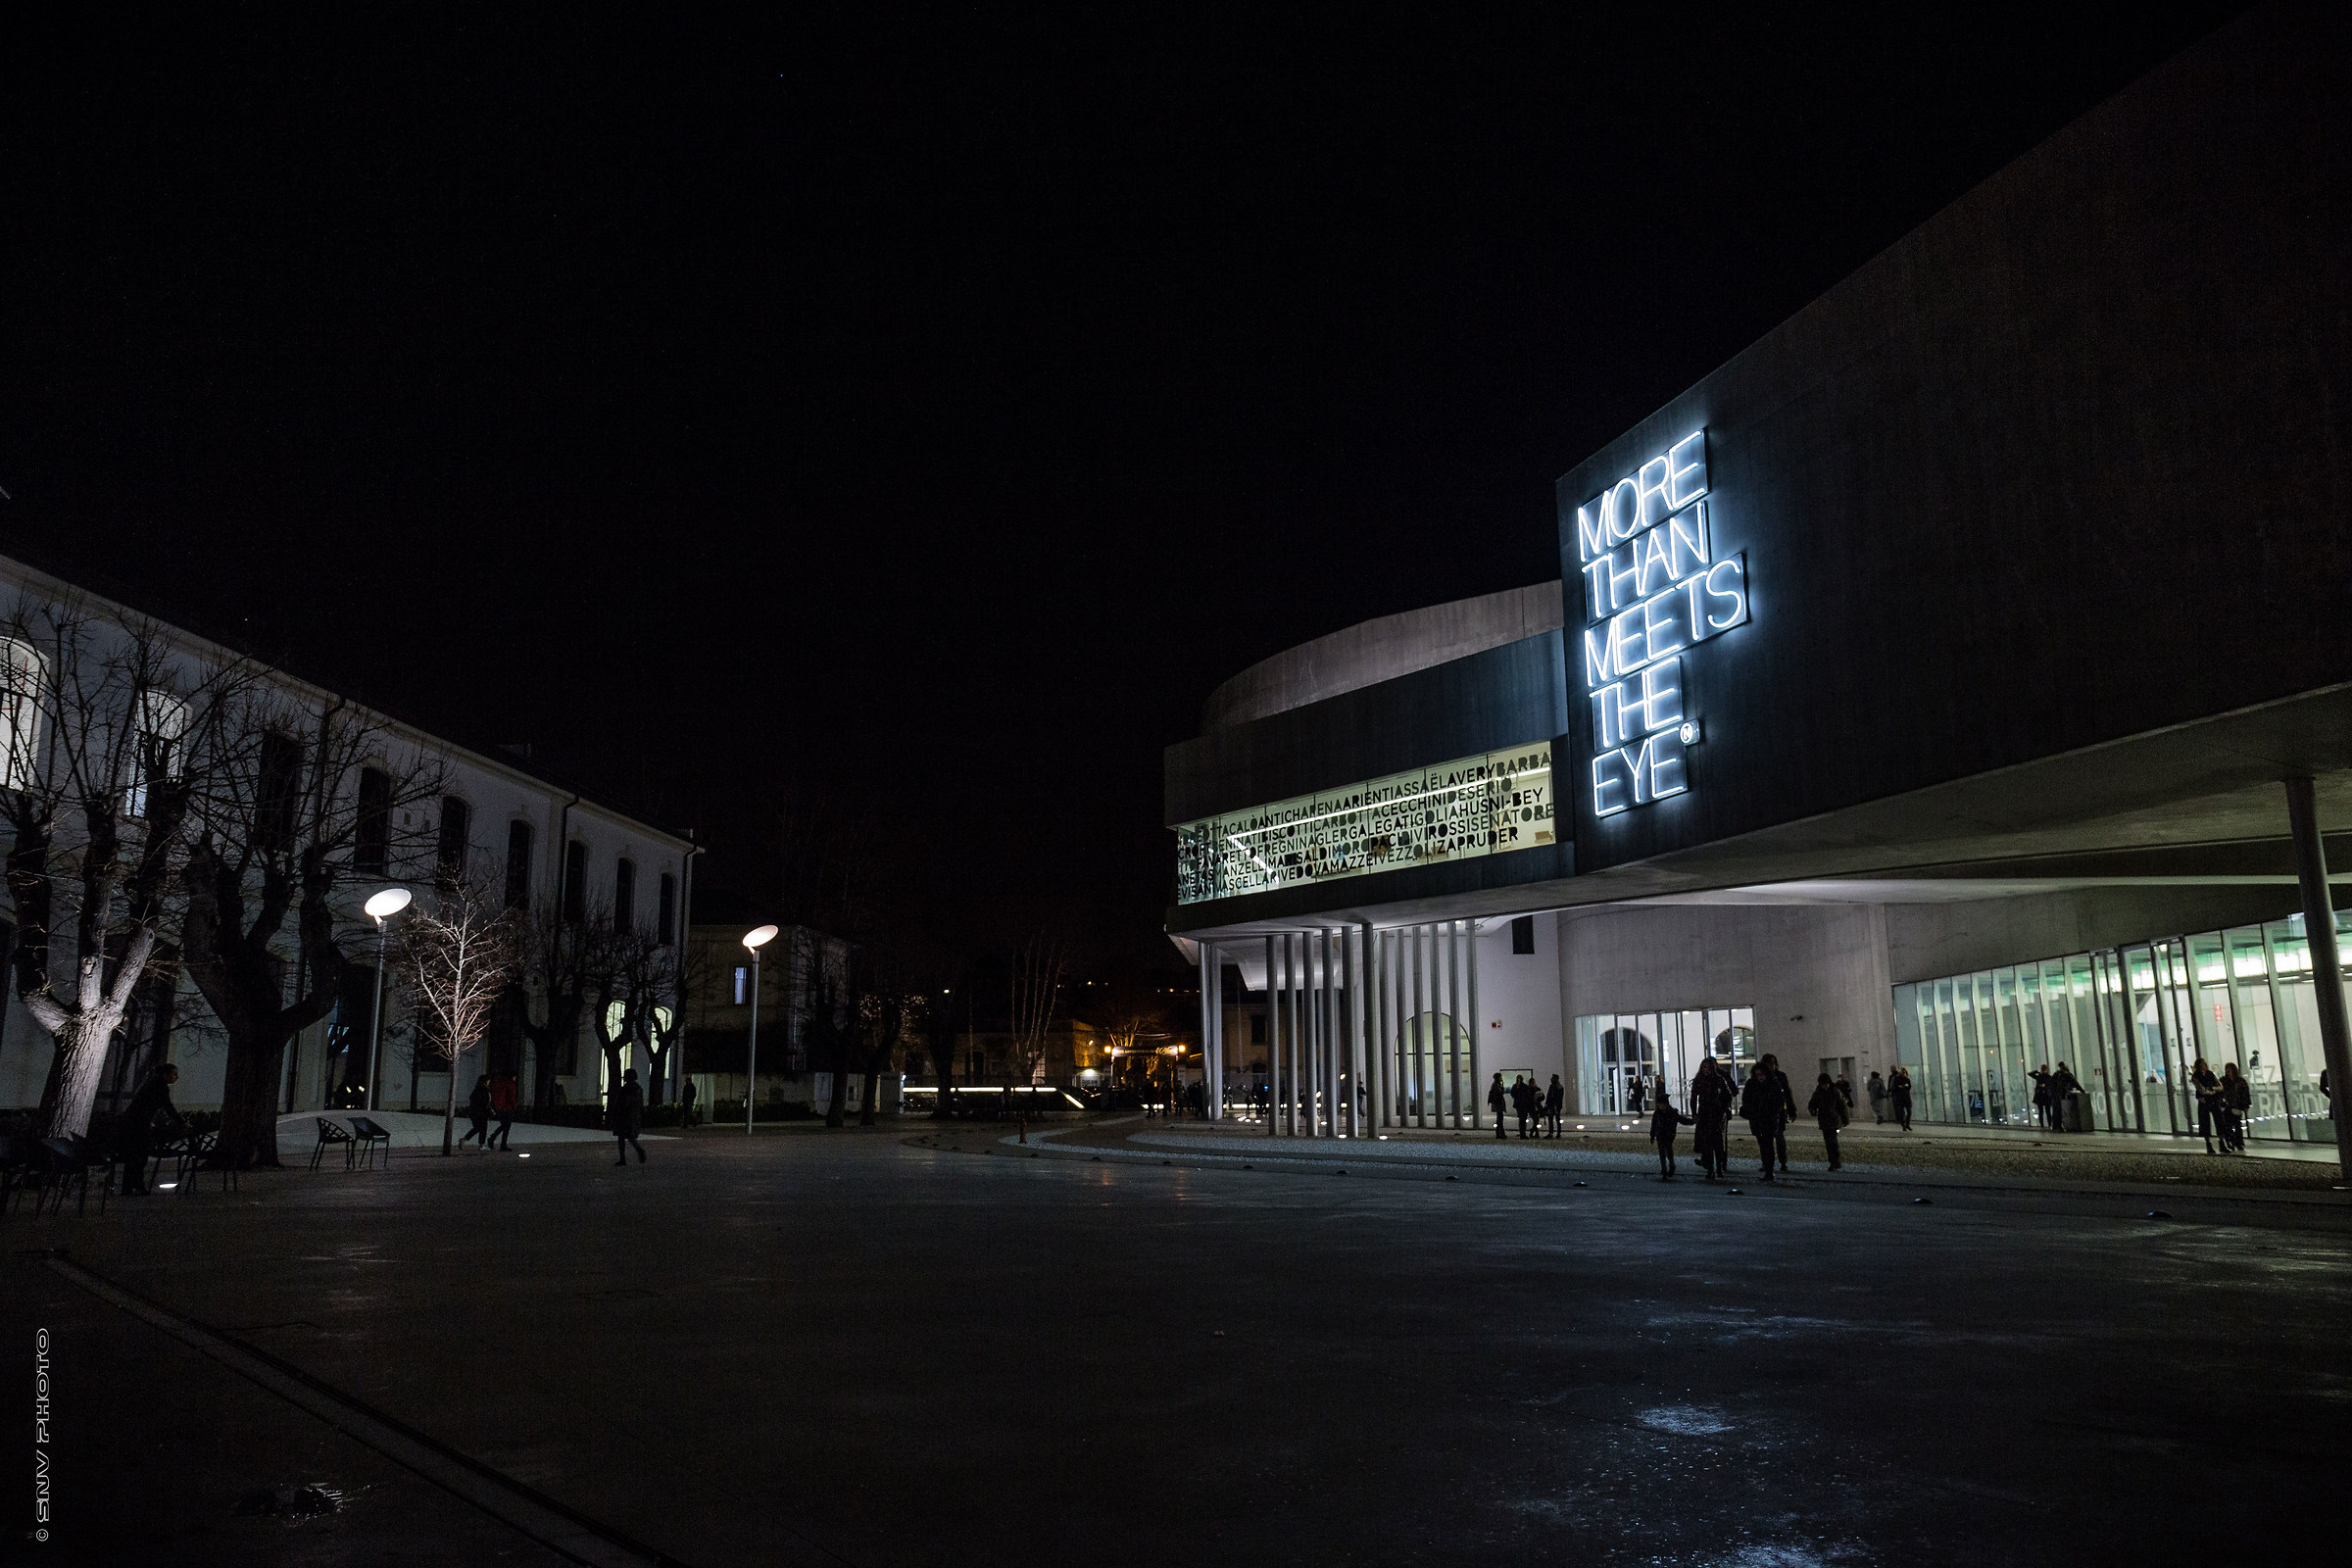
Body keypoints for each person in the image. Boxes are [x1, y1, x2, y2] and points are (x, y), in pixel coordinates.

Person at [117, 1062, 183, 1196]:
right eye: (174, 1074)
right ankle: (135, 1186)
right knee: (139, 1156)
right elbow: (168, 1107)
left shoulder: (153, 1083)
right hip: (138, 1124)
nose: (176, 1077)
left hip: (135, 1122)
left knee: (135, 1156)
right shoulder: (160, 1087)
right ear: (166, 1074)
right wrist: (182, 1123)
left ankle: (130, 1187)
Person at [1740, 1053, 1795, 1182]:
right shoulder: (1752, 1084)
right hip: (1757, 1119)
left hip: (1770, 1118)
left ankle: (1776, 1166)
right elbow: (1746, 1100)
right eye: (1757, 1075)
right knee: (1763, 1144)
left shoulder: (1776, 1080)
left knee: (1771, 1142)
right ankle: (1767, 1167)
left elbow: (1782, 1097)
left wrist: (1785, 1111)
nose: (1759, 1077)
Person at [1691, 1057, 1735, 1180]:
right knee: (1707, 1143)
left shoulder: (1719, 1080)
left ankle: (1719, 1167)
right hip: (1704, 1113)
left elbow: (1727, 1096)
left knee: (1717, 1143)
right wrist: (1694, 1114)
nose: (1706, 1070)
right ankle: (1710, 1169)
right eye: (1704, 1067)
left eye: (1708, 1067)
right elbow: (1694, 1098)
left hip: (1716, 1113)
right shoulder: (1699, 1080)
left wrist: (1723, 1112)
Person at [1808, 1071, 1849, 1171]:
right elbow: (1811, 1105)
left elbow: (1842, 1106)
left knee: (1832, 1141)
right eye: (1823, 1084)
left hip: (1833, 1120)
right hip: (1826, 1120)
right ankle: (1835, 1161)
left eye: (1825, 1084)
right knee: (1830, 1142)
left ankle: (1834, 1161)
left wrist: (1845, 1119)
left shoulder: (1833, 1092)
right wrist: (1813, 1111)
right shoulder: (1823, 1092)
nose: (1824, 1086)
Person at [1648, 1087, 1692, 1179]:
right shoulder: (1657, 1114)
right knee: (1662, 1153)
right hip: (1660, 1135)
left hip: (1669, 1135)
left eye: (1664, 1105)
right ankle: (1664, 1170)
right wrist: (1652, 1136)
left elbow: (1682, 1120)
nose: (1662, 1106)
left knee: (1668, 1151)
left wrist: (1692, 1121)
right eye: (1661, 1105)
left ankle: (1671, 1166)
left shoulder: (1672, 1113)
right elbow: (1653, 1125)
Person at [612, 1067, 647, 1164]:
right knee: (629, 1135)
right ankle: (638, 1149)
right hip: (634, 1115)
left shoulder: (625, 1089)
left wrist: (617, 1112)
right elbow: (640, 1104)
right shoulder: (638, 1089)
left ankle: (623, 1158)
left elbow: (622, 1103)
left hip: (624, 1115)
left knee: (622, 1136)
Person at [2190, 1056, 2221, 1153]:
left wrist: (2211, 1089)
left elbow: (2219, 1086)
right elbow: (2201, 1089)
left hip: (2210, 1099)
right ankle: (2209, 1144)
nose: (2204, 1065)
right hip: (2205, 1100)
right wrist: (2213, 1090)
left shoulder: (2210, 1074)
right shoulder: (2196, 1076)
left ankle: (2221, 1142)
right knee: (2205, 1122)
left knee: (2219, 1120)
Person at [2220, 1062, 2250, 1152]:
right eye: (2227, 1070)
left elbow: (2245, 1094)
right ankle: (2231, 1141)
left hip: (2237, 1106)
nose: (2228, 1072)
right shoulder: (2223, 1081)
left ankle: (2239, 1142)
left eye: (2229, 1070)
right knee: (2228, 1125)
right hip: (2227, 1106)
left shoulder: (2240, 1081)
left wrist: (2245, 1105)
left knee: (2237, 1125)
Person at [459, 1073, 493, 1150]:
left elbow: (472, 1099)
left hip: (474, 1111)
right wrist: (489, 1110)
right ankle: (481, 1145)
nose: (489, 1082)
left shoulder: (477, 1089)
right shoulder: (484, 1090)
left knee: (477, 1127)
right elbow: (486, 1101)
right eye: (488, 1081)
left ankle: (465, 1139)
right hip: (481, 1112)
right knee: (483, 1128)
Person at [487, 1071, 518, 1151]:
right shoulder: (510, 1085)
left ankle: (493, 1138)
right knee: (506, 1126)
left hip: (499, 1107)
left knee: (504, 1125)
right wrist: (514, 1106)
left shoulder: (497, 1084)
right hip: (507, 1108)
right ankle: (502, 1144)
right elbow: (512, 1097)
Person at [2049, 1061, 2082, 1132]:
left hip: (2054, 1095)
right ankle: (2060, 1127)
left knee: (2056, 1111)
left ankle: (2055, 1127)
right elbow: (2075, 1082)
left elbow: (2050, 1083)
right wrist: (2082, 1091)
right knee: (2061, 1111)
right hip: (2061, 1095)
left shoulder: (2056, 1074)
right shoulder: (2066, 1074)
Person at [2030, 1063, 2054, 1129]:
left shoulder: (2039, 1076)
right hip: (2046, 1096)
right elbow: (2050, 1085)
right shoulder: (2048, 1077)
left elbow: (2030, 1074)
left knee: (2041, 1111)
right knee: (2047, 1111)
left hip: (2040, 1096)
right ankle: (2049, 1124)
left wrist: (2036, 1072)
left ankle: (2042, 1125)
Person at [1891, 1066, 1914, 1131]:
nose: (1904, 1074)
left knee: (1909, 1112)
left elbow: (1909, 1087)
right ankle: (1903, 1124)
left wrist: (1902, 1087)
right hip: (1899, 1098)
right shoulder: (1896, 1079)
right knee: (1900, 1112)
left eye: (1905, 1073)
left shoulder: (1907, 1079)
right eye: (1903, 1073)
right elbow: (1895, 1088)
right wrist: (1902, 1087)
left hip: (1906, 1098)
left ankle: (1907, 1124)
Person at [1487, 1071, 1507, 1140]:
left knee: (1499, 1119)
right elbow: (1500, 1093)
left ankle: (1500, 1133)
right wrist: (1503, 1088)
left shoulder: (1495, 1084)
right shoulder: (1496, 1085)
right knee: (1500, 1119)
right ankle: (1499, 1133)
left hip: (1497, 1103)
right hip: (1498, 1103)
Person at [1544, 1074, 1565, 1139]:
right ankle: (1557, 1133)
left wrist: (1547, 1104)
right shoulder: (1559, 1087)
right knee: (1556, 1119)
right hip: (1555, 1105)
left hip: (1553, 1105)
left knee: (1552, 1119)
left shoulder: (1554, 1087)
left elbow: (1549, 1096)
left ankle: (1552, 1133)